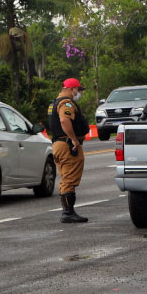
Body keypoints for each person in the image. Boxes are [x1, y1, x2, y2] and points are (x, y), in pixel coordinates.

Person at [48, 78, 90, 223]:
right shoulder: (66, 103)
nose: (79, 93)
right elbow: (64, 120)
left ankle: (68, 211)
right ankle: (68, 212)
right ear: (71, 88)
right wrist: (74, 139)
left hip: (58, 144)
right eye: (78, 89)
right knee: (69, 180)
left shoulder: (54, 103)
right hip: (67, 145)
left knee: (65, 179)